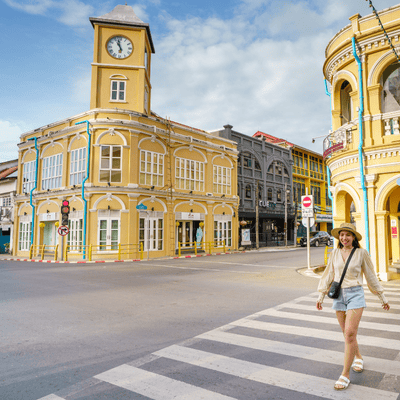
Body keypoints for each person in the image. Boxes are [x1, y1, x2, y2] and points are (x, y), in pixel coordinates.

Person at [316, 222, 390, 391]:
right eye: (341, 235)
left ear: (354, 237)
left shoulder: (361, 253)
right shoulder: (334, 253)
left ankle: (345, 374)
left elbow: (371, 275)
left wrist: (382, 297)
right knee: (347, 334)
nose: (344, 238)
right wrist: (321, 295)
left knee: (349, 332)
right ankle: (358, 356)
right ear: (338, 237)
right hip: (339, 295)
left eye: (348, 235)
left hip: (356, 294)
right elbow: (328, 275)